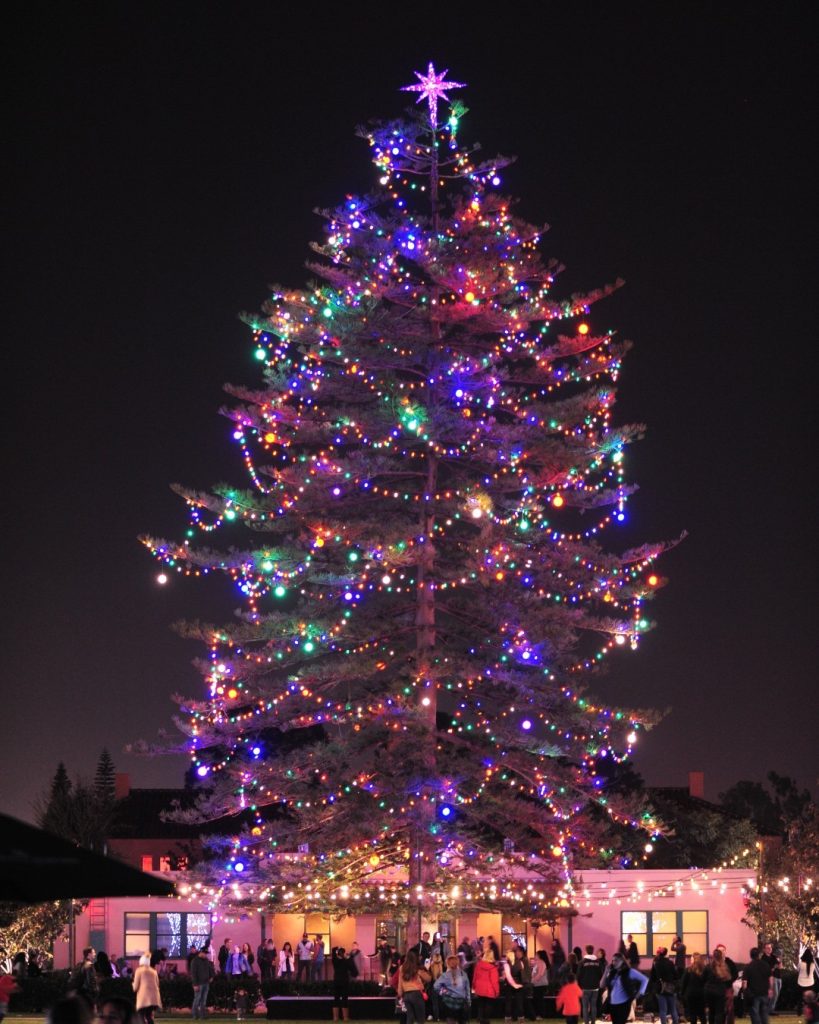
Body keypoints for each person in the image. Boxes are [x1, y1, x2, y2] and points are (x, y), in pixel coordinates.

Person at [601, 952, 648, 1024]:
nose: (614, 962)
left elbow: (645, 979)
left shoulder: (629, 972)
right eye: (613, 960)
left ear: (622, 961)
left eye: (616, 960)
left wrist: (640, 992)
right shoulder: (612, 973)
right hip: (613, 1004)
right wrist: (606, 971)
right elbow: (601, 985)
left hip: (624, 1004)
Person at [397, 949, 431, 1024]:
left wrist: (400, 994)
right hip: (416, 994)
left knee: (410, 1017)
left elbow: (400, 983)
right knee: (420, 1018)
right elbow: (428, 979)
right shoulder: (417, 968)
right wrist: (427, 970)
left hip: (406, 994)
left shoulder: (402, 968)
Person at [435, 954, 471, 1024]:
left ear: (447, 964)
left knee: (450, 1021)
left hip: (448, 1002)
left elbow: (436, 986)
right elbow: (467, 989)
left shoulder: (444, 975)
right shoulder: (463, 974)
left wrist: (445, 992)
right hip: (461, 1002)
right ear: (457, 963)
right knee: (462, 1021)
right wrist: (469, 1001)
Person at [702, 949, 733, 1024]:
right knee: (719, 1012)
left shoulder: (708, 966)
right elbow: (729, 979)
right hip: (720, 991)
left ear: (713, 956)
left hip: (709, 991)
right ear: (721, 956)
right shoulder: (724, 967)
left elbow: (703, 978)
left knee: (711, 1011)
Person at [742, 947, 771, 1024]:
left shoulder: (748, 967)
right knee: (764, 1013)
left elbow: (744, 982)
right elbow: (770, 978)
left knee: (755, 1013)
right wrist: (770, 989)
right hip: (764, 992)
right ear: (759, 955)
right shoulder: (765, 965)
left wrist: (744, 991)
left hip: (753, 994)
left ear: (751, 955)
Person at [650, 947, 679, 1024]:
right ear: (666, 954)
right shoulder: (670, 963)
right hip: (670, 988)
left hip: (660, 989)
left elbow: (652, 976)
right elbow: (676, 975)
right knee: (673, 1009)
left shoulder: (656, 963)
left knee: (663, 1010)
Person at [133, 953, 162, 1024]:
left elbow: (136, 986)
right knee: (148, 1015)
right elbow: (157, 984)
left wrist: (133, 986)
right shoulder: (154, 971)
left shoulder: (139, 971)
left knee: (140, 1015)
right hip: (154, 997)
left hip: (144, 998)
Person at [577, 945, 604, 1024]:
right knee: (593, 1005)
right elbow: (600, 974)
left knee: (585, 1006)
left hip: (584, 987)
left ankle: (586, 1022)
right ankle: (593, 1022)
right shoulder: (597, 962)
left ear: (586, 951)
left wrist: (579, 984)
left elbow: (578, 975)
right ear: (593, 950)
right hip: (595, 987)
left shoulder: (582, 962)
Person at [473, 948, 500, 1024]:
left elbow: (475, 977)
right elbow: (494, 981)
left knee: (480, 1006)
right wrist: (497, 991)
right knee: (488, 1006)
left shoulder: (478, 965)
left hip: (480, 989)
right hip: (489, 990)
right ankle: (485, 1020)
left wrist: (474, 987)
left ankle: (480, 1020)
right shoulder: (493, 968)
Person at [681, 953, 707, 1024]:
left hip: (690, 995)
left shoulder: (688, 970)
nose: (690, 960)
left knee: (692, 1014)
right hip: (702, 995)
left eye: (691, 958)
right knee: (702, 1014)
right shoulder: (704, 970)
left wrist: (682, 994)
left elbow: (683, 983)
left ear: (694, 960)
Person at [191, 945, 215, 1019]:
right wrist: (195, 984)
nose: (206, 955)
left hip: (206, 983)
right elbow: (193, 973)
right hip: (199, 984)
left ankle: (202, 1016)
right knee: (197, 1000)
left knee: (203, 1001)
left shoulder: (206, 960)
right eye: (205, 953)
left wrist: (212, 976)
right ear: (201, 952)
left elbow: (211, 969)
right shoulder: (195, 961)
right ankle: (195, 1016)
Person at [71, 948, 99, 1012]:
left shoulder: (80, 964)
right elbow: (91, 980)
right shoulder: (89, 965)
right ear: (89, 954)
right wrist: (95, 991)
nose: (95, 954)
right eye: (93, 952)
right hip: (88, 993)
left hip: (79, 992)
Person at [797, 945, 819, 1013]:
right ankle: (809, 1010)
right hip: (810, 983)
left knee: (800, 998)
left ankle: (799, 1011)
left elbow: (798, 970)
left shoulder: (801, 963)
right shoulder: (813, 964)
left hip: (801, 982)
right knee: (809, 999)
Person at [760, 944, 780, 1015]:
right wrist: (774, 967)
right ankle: (769, 1010)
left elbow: (779, 966)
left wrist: (778, 964)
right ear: (764, 949)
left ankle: (771, 1009)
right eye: (767, 948)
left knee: (776, 994)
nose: (769, 949)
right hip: (771, 978)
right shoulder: (763, 958)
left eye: (770, 947)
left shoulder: (773, 957)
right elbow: (768, 969)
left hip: (778, 977)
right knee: (774, 994)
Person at [531, 950, 550, 1020]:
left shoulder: (542, 963)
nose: (535, 956)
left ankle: (540, 1015)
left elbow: (540, 973)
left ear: (539, 956)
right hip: (537, 984)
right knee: (537, 999)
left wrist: (533, 980)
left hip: (540, 984)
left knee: (539, 1000)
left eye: (536, 954)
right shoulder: (537, 963)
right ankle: (537, 1014)